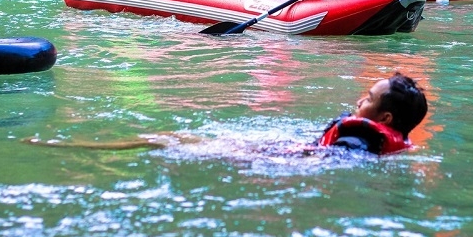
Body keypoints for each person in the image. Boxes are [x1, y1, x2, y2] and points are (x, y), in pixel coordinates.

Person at [22, 72, 428, 156]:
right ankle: (76, 147)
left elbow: (329, 159)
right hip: (278, 151)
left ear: (386, 118)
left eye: (369, 97)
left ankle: (71, 146)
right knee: (172, 140)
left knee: (162, 140)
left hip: (272, 158)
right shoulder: (387, 142)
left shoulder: (358, 140)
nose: (360, 100)